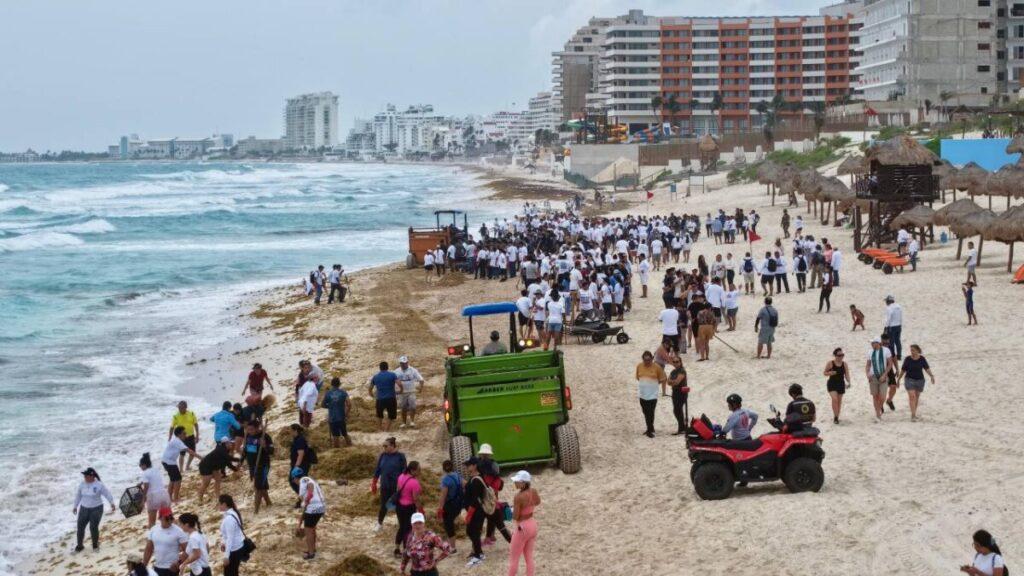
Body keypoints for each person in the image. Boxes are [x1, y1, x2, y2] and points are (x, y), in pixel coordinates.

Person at [72, 467, 115, 552]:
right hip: (84, 508)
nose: (84, 477)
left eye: (86, 476)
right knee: (80, 527)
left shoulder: (99, 484)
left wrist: (112, 503)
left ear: (92, 476)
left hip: (96, 509)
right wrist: (75, 506)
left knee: (93, 527)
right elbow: (78, 496)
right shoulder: (82, 484)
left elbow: (107, 493)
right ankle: (80, 546)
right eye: (84, 476)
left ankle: (95, 545)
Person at [507, 470, 541, 576]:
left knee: (514, 560)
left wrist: (511, 510)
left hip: (522, 527)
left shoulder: (518, 497)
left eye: (517, 481)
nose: (515, 483)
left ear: (523, 483)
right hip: (532, 524)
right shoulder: (533, 491)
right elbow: (538, 502)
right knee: (529, 557)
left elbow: (515, 516)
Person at [402, 512, 455, 576]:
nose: (417, 525)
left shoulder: (431, 536)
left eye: (420, 523)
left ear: (424, 523)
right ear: (411, 524)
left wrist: (436, 561)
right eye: (415, 523)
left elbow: (447, 548)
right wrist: (403, 568)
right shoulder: (410, 537)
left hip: (429, 573)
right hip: (415, 572)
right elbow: (406, 553)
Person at [372, 437, 408, 533]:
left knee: (399, 505)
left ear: (392, 446)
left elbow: (404, 472)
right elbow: (378, 469)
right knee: (383, 505)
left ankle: (402, 524)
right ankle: (379, 523)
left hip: (396, 486)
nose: (384, 448)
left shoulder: (400, 456)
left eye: (386, 446)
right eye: (383, 446)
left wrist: (403, 486)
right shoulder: (383, 455)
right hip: (385, 484)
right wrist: (374, 482)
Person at [143, 507, 187, 576]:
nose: (169, 520)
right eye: (166, 518)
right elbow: (149, 549)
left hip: (172, 569)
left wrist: (179, 562)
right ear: (160, 518)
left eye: (171, 518)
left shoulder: (178, 531)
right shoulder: (154, 530)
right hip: (158, 568)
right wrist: (143, 566)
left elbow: (188, 550)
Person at [897, 344, 935, 421]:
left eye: (913, 350)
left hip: (920, 380)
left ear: (918, 350)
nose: (912, 352)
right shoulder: (907, 359)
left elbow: (926, 368)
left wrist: (931, 376)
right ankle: (913, 415)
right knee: (912, 396)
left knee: (916, 397)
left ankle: (913, 413)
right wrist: (898, 379)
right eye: (911, 350)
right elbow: (903, 370)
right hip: (909, 380)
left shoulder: (922, 359)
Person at [394, 462, 424, 558]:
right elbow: (416, 499)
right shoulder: (414, 482)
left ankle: (397, 549)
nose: (420, 471)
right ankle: (406, 551)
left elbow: (398, 489)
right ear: (412, 470)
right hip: (409, 508)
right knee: (408, 529)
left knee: (402, 527)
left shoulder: (401, 476)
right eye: (418, 470)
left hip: (399, 506)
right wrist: (421, 510)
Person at [242, 420, 273, 513]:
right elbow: (245, 450)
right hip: (252, 465)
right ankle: (268, 502)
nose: (249, 431)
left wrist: (264, 446)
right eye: (248, 429)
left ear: (257, 428)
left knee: (258, 487)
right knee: (261, 485)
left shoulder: (265, 436)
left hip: (262, 465)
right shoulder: (248, 436)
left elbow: (272, 451)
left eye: (251, 429)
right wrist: (241, 461)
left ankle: (256, 510)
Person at [635, 351, 668, 438]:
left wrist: (654, 384)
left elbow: (663, 378)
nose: (647, 361)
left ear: (652, 359)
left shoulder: (657, 367)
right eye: (645, 360)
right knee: (645, 412)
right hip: (642, 394)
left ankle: (649, 430)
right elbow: (638, 377)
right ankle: (650, 428)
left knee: (650, 412)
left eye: (648, 360)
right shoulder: (639, 366)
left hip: (652, 395)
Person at [462, 457, 488, 567]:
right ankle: (478, 551)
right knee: (470, 531)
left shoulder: (476, 479)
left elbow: (475, 500)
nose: (467, 467)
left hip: (476, 511)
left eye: (469, 465)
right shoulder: (474, 477)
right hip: (474, 510)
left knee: (474, 532)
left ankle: (478, 556)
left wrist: (469, 514)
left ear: (475, 466)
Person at [162, 427, 199, 502]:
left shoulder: (177, 440)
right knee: (178, 479)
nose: (186, 435)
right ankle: (175, 498)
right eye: (184, 433)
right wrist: (201, 458)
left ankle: (169, 498)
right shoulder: (177, 442)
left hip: (166, 461)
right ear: (179, 434)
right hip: (169, 462)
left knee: (173, 479)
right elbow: (190, 451)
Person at [197, 439, 238, 504]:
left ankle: (218, 497)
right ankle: (199, 499)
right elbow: (229, 459)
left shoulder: (226, 450)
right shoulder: (221, 449)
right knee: (206, 483)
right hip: (205, 466)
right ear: (226, 444)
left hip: (214, 467)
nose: (232, 444)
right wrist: (240, 460)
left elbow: (228, 463)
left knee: (218, 479)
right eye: (230, 443)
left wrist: (236, 469)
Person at [296, 472, 326, 560]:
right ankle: (313, 549)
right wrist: (299, 524)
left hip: (313, 508)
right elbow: (304, 512)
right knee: (312, 528)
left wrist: (307, 499)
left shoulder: (303, 480)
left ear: (295, 478)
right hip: (321, 507)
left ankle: (311, 553)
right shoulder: (311, 479)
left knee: (308, 531)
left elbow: (309, 492)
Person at [864, 337, 894, 422]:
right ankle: (878, 414)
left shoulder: (886, 350)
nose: (871, 344)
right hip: (873, 376)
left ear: (878, 343)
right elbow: (868, 365)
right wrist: (867, 374)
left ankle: (878, 410)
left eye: (873, 343)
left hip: (883, 375)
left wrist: (884, 375)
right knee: (875, 396)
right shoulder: (870, 352)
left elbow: (890, 364)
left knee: (882, 396)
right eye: (871, 343)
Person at [139, 453, 171, 529]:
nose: (140, 467)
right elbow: (152, 479)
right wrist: (141, 483)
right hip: (164, 495)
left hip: (153, 497)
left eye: (140, 465)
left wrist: (143, 499)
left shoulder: (144, 473)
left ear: (144, 465)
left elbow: (146, 486)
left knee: (152, 523)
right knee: (167, 518)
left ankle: (151, 529)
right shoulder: (156, 469)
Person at [437, 460, 463, 551]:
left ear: (443, 469)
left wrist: (440, 508)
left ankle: (452, 547)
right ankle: (450, 543)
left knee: (448, 525)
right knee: (451, 522)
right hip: (458, 504)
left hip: (449, 505)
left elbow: (443, 496)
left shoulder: (446, 480)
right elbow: (464, 484)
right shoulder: (457, 476)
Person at [218, 495, 245, 576]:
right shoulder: (232, 513)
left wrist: (226, 556)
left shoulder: (229, 518)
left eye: (219, 504)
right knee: (233, 572)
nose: (218, 506)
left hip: (234, 549)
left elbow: (230, 538)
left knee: (229, 573)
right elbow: (227, 534)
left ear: (224, 504)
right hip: (238, 547)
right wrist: (224, 543)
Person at [395, 356, 425, 428]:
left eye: (405, 363)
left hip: (411, 391)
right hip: (401, 392)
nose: (404, 364)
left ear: (407, 362)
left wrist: (421, 388)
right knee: (403, 408)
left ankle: (412, 421)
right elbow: (392, 380)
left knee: (413, 407)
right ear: (400, 363)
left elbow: (421, 379)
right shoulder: (396, 371)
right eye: (402, 363)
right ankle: (404, 422)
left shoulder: (413, 370)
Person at [169, 401, 200, 471]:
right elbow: (172, 427)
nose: (179, 409)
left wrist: (197, 435)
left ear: (185, 407)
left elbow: (196, 424)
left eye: (181, 408)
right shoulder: (176, 416)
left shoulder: (191, 414)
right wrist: (170, 437)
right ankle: (181, 469)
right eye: (179, 407)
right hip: (181, 438)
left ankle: (187, 466)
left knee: (192, 453)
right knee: (182, 454)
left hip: (191, 436)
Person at [369, 361, 400, 431]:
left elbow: (370, 388)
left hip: (380, 399)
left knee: (379, 415)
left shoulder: (376, 376)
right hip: (391, 398)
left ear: (380, 368)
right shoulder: (392, 375)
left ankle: (379, 429)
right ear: (387, 367)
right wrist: (401, 390)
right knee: (391, 415)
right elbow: (399, 384)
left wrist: (371, 395)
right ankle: (386, 430)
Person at [824, 348, 852, 424]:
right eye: (839, 355)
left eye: (842, 355)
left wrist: (849, 382)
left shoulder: (844, 364)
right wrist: (830, 373)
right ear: (835, 355)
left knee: (839, 402)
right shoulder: (830, 363)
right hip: (832, 383)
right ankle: (836, 417)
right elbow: (825, 373)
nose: (841, 356)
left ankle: (836, 416)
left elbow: (847, 374)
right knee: (835, 399)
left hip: (841, 384)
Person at [322, 377, 352, 446]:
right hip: (341, 416)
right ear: (339, 384)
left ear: (331, 384)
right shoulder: (343, 392)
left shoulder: (328, 393)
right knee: (345, 434)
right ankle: (350, 447)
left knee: (335, 436)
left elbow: (322, 405)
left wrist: (330, 406)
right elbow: (349, 404)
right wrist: (346, 414)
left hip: (332, 418)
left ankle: (337, 449)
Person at [288, 424, 312, 503]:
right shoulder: (297, 439)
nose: (289, 432)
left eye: (291, 430)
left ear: (295, 431)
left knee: (297, 481)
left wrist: (296, 466)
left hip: (301, 464)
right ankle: (303, 498)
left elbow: (301, 454)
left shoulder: (300, 440)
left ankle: (305, 498)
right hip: (299, 464)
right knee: (295, 481)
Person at [666, 355, 689, 435]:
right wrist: (673, 382)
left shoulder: (682, 371)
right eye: (674, 362)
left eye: (677, 361)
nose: (675, 363)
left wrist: (672, 381)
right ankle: (682, 427)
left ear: (680, 362)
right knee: (676, 410)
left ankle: (682, 428)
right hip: (675, 392)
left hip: (682, 393)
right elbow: (668, 382)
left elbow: (677, 382)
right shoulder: (673, 371)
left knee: (678, 410)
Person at [883, 295, 903, 359]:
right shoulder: (899, 306)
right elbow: (901, 317)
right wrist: (900, 324)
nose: (886, 302)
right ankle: (899, 355)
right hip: (899, 325)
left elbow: (888, 318)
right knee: (898, 341)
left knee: (891, 342)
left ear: (888, 301)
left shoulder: (889, 308)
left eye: (886, 301)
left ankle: (892, 355)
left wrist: (886, 327)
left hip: (891, 327)